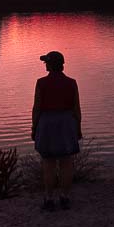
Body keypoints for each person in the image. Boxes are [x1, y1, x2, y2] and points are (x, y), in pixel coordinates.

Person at [31, 51, 82, 211]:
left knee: (49, 163)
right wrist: (78, 129)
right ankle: (65, 197)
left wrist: (34, 128)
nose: (45, 64)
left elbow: (37, 108)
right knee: (66, 162)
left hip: (47, 123)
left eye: (46, 62)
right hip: (67, 122)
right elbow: (77, 109)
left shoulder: (41, 83)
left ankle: (49, 198)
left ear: (51, 65)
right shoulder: (72, 83)